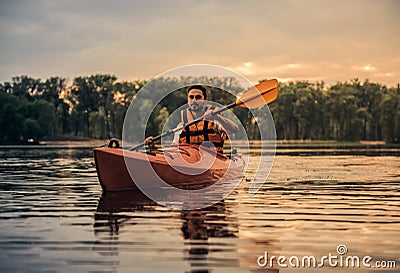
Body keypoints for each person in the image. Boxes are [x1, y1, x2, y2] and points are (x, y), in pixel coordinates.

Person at [145, 85, 238, 153]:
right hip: (190, 161)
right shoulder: (181, 126)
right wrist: (154, 148)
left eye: (198, 97)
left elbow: (234, 129)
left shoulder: (215, 120)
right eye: (191, 97)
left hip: (213, 161)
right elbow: (173, 150)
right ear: (188, 100)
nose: (194, 100)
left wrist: (218, 117)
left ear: (205, 100)